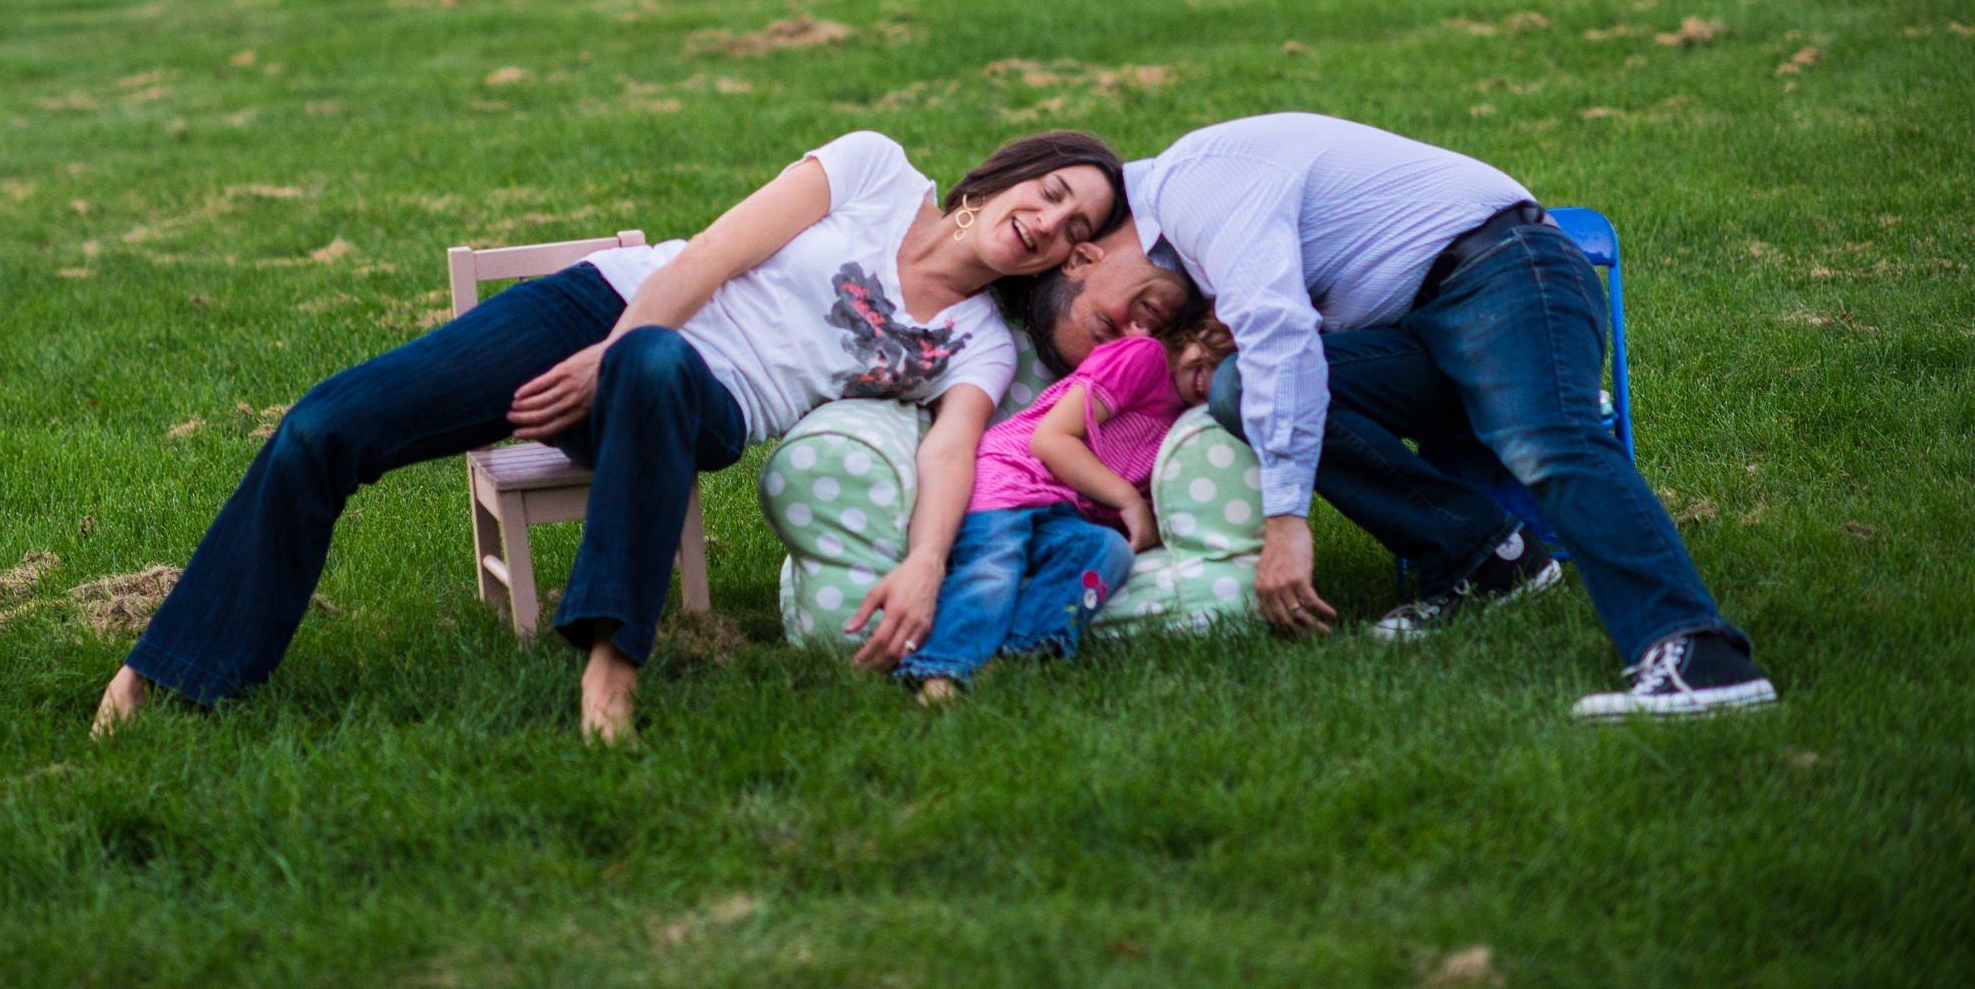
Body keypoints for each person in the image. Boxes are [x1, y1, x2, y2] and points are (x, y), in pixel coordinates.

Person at [93, 128, 1127, 744]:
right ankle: (176, 666)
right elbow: (721, 247)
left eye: (1076, 226)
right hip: (599, 311)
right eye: (1052, 191)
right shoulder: (873, 170)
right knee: (325, 424)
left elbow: (953, 450)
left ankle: (610, 666)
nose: (1051, 220)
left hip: (697, 399)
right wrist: (612, 343)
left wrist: (924, 566)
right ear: (1006, 176)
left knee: (657, 366)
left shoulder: (976, 341)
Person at [1027, 112, 1777, 723]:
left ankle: (1696, 653)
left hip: (1503, 268)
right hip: (1427, 332)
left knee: (1547, 443)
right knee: (1239, 388)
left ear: (1083, 257)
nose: (1137, 338)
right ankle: (1486, 558)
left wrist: (1285, 521)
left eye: (1105, 323)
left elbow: (1282, 332)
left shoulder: (1191, 184)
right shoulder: (1186, 245)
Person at [897, 318, 1235, 701]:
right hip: (1011, 479)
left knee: (1107, 549)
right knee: (993, 565)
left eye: (1232, 368)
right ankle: (942, 669)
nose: (1217, 374)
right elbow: (1050, 440)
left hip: (1064, 509)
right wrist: (1127, 499)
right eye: (1218, 353)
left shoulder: (1187, 421)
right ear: (1195, 329)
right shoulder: (1145, 358)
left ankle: (1019, 654)